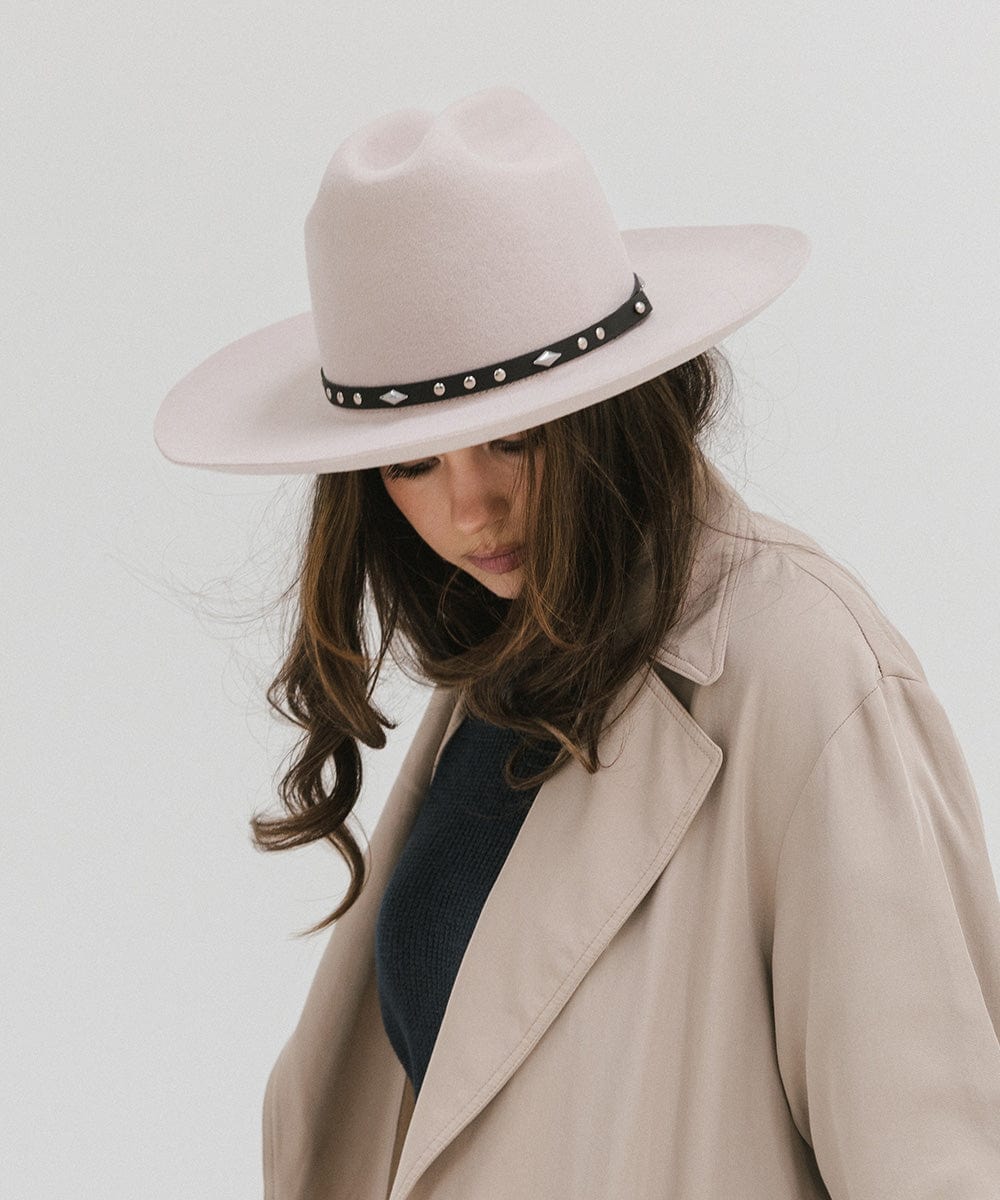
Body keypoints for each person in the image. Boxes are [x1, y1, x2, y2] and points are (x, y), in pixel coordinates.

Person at [154, 86, 1000, 1199]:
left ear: (615, 406)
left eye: (513, 439)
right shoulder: (511, 668)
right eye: (411, 462)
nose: (469, 510)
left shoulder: (806, 672)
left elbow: (930, 1160)